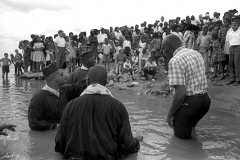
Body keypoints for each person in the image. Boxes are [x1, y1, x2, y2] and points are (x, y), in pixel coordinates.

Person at [55, 66, 142, 159]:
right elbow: (128, 145)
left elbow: (60, 142)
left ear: (87, 81)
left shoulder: (71, 105)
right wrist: (136, 140)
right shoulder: (118, 107)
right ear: (106, 82)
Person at [163, 34, 211, 139]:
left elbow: (180, 94)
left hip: (189, 103)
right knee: (191, 128)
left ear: (171, 46)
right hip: (205, 101)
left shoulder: (175, 61)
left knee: (181, 140)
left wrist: (170, 115)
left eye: (164, 48)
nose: (163, 51)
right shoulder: (196, 53)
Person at [28, 64, 87, 131]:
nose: (65, 76)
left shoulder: (65, 90)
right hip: (53, 137)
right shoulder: (38, 98)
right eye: (61, 74)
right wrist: (56, 126)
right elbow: (34, 124)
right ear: (54, 77)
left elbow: (80, 88)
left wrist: (90, 79)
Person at [226, 19, 240, 85]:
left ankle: (238, 79)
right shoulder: (229, 33)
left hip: (238, 47)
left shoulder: (239, 32)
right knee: (230, 63)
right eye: (232, 25)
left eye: (235, 25)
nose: (233, 26)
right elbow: (227, 41)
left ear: (238, 25)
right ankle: (232, 78)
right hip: (231, 47)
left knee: (237, 63)